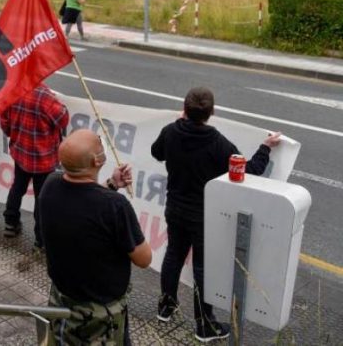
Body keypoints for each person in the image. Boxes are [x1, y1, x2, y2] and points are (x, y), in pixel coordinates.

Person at [151, 87, 282, 342]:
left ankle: (166, 306)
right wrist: (265, 147)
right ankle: (204, 324)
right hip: (202, 216)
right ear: (212, 112)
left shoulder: (171, 131)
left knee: (174, 254)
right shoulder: (217, 142)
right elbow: (248, 172)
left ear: (185, 108)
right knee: (202, 266)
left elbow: (157, 153)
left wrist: (176, 124)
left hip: (175, 208)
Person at [40, 129, 151, 345]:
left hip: (62, 299)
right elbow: (143, 258)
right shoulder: (114, 206)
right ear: (97, 161)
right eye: (99, 144)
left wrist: (111, 184)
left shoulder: (50, 184)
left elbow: (82, 199)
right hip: (100, 313)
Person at [0, 83, 68, 249]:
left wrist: (15, 134)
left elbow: (5, 123)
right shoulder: (46, 97)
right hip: (43, 159)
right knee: (41, 198)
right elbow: (63, 119)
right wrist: (61, 105)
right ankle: (41, 240)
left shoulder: (14, 91)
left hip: (21, 152)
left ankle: (10, 223)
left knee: (17, 187)